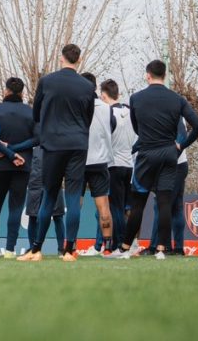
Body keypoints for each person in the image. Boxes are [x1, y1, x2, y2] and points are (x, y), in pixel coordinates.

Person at [112, 60, 198, 260]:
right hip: (169, 154)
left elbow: (136, 127)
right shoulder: (177, 99)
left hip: (147, 154)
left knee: (138, 204)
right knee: (165, 202)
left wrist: (147, 136)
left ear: (148, 75)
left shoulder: (136, 98)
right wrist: (181, 145)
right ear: (165, 75)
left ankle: (125, 247)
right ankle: (162, 249)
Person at [19, 44, 95, 262]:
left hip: (53, 144)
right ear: (78, 60)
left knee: (49, 195)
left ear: (61, 58)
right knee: (72, 198)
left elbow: (35, 114)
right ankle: (69, 250)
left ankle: (36, 250)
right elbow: (88, 118)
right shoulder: (87, 87)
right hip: (78, 144)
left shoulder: (47, 81)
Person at [0, 77, 32, 259]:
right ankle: (10, 250)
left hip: (1, 165)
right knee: (16, 208)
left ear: (6, 91)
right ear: (22, 93)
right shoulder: (30, 112)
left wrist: (8, 150)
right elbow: (38, 138)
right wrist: (16, 151)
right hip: (23, 165)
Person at [72, 72, 114, 259]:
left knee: (75, 204)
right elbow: (111, 128)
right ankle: (107, 246)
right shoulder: (106, 107)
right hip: (100, 161)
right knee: (103, 205)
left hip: (79, 160)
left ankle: (70, 245)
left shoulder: (75, 105)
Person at [100, 79, 136, 251]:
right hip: (129, 165)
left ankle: (120, 244)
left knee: (116, 208)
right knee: (124, 208)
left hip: (113, 165)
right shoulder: (130, 111)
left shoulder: (107, 113)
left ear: (103, 96)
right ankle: (128, 242)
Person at [149, 119, 189, 255]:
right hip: (178, 165)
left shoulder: (174, 113)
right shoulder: (175, 111)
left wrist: (172, 156)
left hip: (173, 166)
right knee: (176, 207)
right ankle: (177, 248)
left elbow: (183, 136)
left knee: (162, 205)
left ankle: (156, 246)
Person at [26, 145, 65, 256]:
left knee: (58, 215)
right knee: (32, 216)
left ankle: (61, 249)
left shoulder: (57, 141)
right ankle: (32, 248)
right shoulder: (32, 140)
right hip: (35, 182)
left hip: (54, 181)